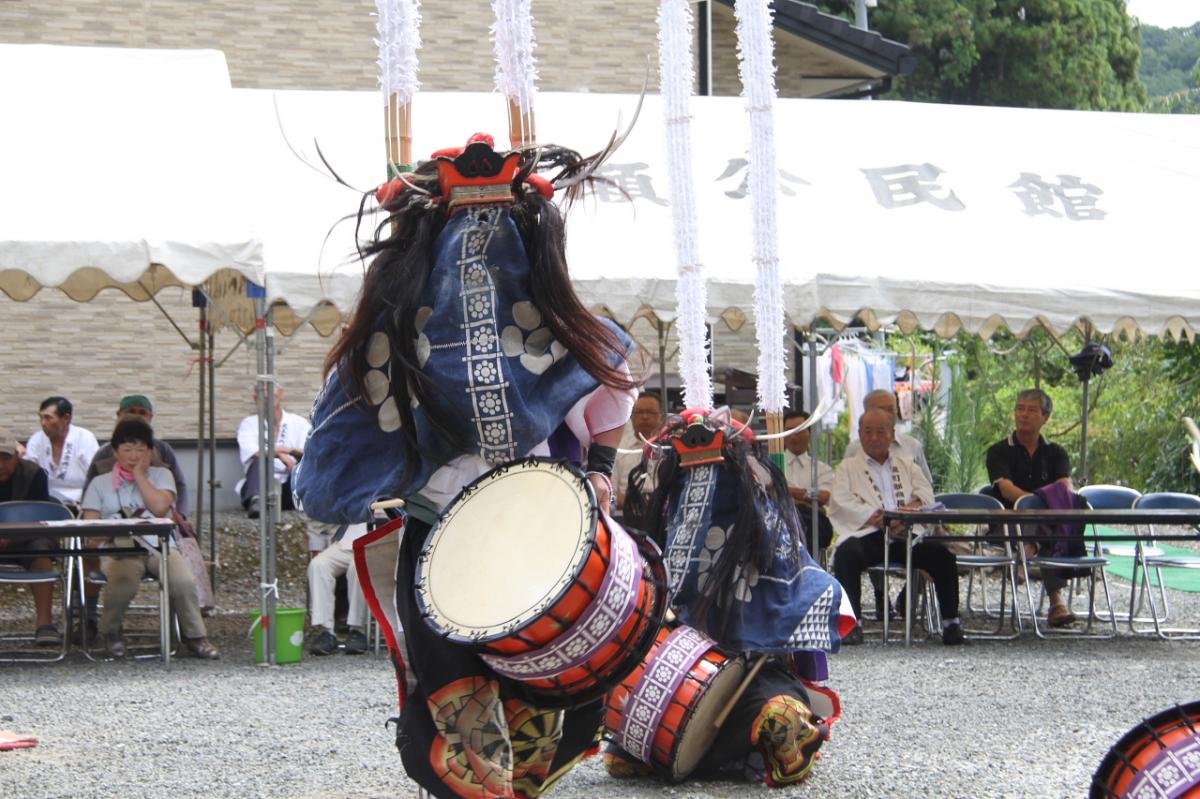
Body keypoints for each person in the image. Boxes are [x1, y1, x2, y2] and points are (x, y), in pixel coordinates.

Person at [294, 134, 639, 799]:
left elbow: (614, 373)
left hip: (536, 524)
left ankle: (507, 772)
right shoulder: (398, 320)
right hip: (446, 529)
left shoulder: (551, 317)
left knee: (539, 687)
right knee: (451, 708)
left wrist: (597, 466)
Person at [603, 409, 853, 787]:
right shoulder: (756, 504)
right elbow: (811, 588)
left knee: (652, 693)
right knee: (769, 689)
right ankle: (779, 720)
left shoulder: (678, 506)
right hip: (736, 673)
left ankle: (634, 746)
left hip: (675, 678)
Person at [80, 417, 219, 660]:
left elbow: (160, 508)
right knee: (123, 580)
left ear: (150, 451)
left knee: (182, 580)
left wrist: (140, 476)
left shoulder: (162, 474)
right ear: (115, 452)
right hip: (118, 547)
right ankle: (110, 632)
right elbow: (90, 525)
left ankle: (195, 636)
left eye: (140, 449)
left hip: (160, 546)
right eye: (127, 449)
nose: (134, 455)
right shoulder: (99, 484)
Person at [829, 409, 964, 646]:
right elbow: (841, 500)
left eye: (880, 432)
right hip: (870, 533)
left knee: (942, 556)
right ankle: (852, 623)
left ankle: (951, 622)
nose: (874, 437)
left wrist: (906, 513)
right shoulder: (847, 468)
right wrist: (877, 517)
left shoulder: (907, 464)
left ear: (892, 435)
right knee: (846, 554)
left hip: (907, 533)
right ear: (859, 435)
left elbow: (926, 495)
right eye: (868, 432)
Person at [984, 388, 1077, 627]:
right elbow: (1006, 489)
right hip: (1006, 527)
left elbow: (1065, 488)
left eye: (1032, 410)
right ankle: (1057, 602)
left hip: (1046, 525)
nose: (1023, 415)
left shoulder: (1056, 452)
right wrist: (1038, 504)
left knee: (1046, 529)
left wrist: (1041, 509)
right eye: (1020, 409)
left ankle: (1030, 549)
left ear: (1045, 417)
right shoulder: (998, 451)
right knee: (1042, 529)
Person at [0, 427, 62, 646]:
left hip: (28, 536)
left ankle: (45, 623)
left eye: (5, 458)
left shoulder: (34, 474)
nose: (1, 465)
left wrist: (12, 537)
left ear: (17, 457)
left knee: (41, 550)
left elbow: (40, 518)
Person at [85, 395, 189, 517]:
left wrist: (181, 514)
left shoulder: (162, 450)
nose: (133, 456)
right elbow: (89, 490)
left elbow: (179, 484)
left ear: (150, 417)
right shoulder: (104, 455)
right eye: (130, 412)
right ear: (119, 415)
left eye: (142, 412)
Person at [236, 386, 310, 519]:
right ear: (255, 399)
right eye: (261, 393)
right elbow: (253, 452)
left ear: (280, 393)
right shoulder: (249, 423)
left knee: (303, 465)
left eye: (269, 391)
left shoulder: (298, 423)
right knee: (260, 460)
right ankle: (256, 502)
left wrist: (289, 451)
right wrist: (279, 455)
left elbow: (310, 451)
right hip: (259, 486)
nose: (265, 395)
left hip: (290, 485)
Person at [843, 389, 934, 487]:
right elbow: (846, 489)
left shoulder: (912, 446)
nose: (888, 415)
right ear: (866, 414)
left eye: (891, 409)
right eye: (882, 410)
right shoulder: (854, 450)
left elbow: (927, 486)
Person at [306, 523, 370, 655]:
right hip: (343, 542)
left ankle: (357, 629)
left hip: (373, 541)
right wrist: (316, 545)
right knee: (317, 565)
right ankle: (326, 630)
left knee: (358, 566)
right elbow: (318, 515)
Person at [23, 396, 99, 506]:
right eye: (41, 417)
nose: (43, 423)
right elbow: (29, 474)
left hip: (81, 500)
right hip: (46, 500)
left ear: (66, 419)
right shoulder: (36, 440)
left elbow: (94, 475)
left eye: (48, 418)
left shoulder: (84, 438)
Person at [782, 409, 834, 552]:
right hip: (782, 518)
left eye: (799, 430)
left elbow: (824, 496)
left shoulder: (822, 468)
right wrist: (807, 499)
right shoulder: (774, 465)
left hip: (814, 521)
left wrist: (786, 491)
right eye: (789, 431)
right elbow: (770, 495)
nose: (793, 436)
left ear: (809, 433)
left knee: (809, 527)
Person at [613, 392, 665, 529]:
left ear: (662, 417)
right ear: (631, 416)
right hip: (626, 520)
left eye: (651, 412)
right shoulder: (618, 450)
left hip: (663, 518)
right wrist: (637, 505)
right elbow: (612, 494)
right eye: (639, 412)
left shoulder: (669, 451)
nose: (645, 416)